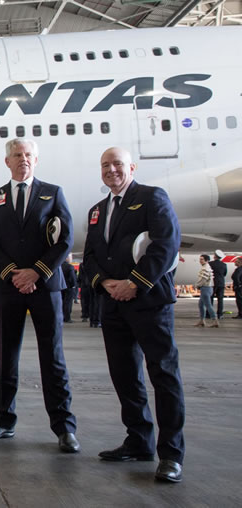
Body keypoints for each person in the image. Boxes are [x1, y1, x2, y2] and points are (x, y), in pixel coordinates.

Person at [82, 146, 186, 483]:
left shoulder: (152, 197)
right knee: (125, 376)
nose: (111, 170)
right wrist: (106, 282)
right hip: (113, 304)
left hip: (149, 303)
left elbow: (166, 243)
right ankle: (138, 440)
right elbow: (91, 256)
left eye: (117, 164)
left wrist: (135, 283)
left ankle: (170, 454)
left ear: (132, 166)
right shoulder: (98, 211)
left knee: (163, 376)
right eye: (105, 165)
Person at [0, 138, 79, 454]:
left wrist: (37, 272)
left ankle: (64, 428)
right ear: (7, 162)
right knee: (8, 357)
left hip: (45, 287)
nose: (24, 160)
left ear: (36, 160)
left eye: (29, 155)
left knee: (53, 358)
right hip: (10, 289)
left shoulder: (53, 193)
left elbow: (65, 239)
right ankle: (3, 421)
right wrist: (12, 273)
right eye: (17, 155)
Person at [195, 254, 217, 328]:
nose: (200, 261)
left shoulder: (205, 268)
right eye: (200, 259)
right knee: (201, 305)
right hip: (207, 288)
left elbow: (203, 279)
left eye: (202, 259)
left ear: (206, 260)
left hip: (205, 288)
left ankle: (215, 320)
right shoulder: (206, 267)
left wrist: (197, 285)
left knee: (208, 305)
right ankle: (202, 321)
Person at [210, 249, 227, 319]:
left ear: (215, 256)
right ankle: (220, 314)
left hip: (212, 283)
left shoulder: (210, 264)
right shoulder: (224, 265)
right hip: (221, 283)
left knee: (210, 299)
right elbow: (224, 273)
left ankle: (210, 314)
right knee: (220, 300)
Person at [61, 255, 77, 323]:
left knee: (61, 302)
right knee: (68, 303)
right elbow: (72, 278)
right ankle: (67, 318)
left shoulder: (59, 266)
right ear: (66, 258)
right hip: (69, 287)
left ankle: (61, 317)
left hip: (61, 287)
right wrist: (74, 285)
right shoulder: (70, 267)